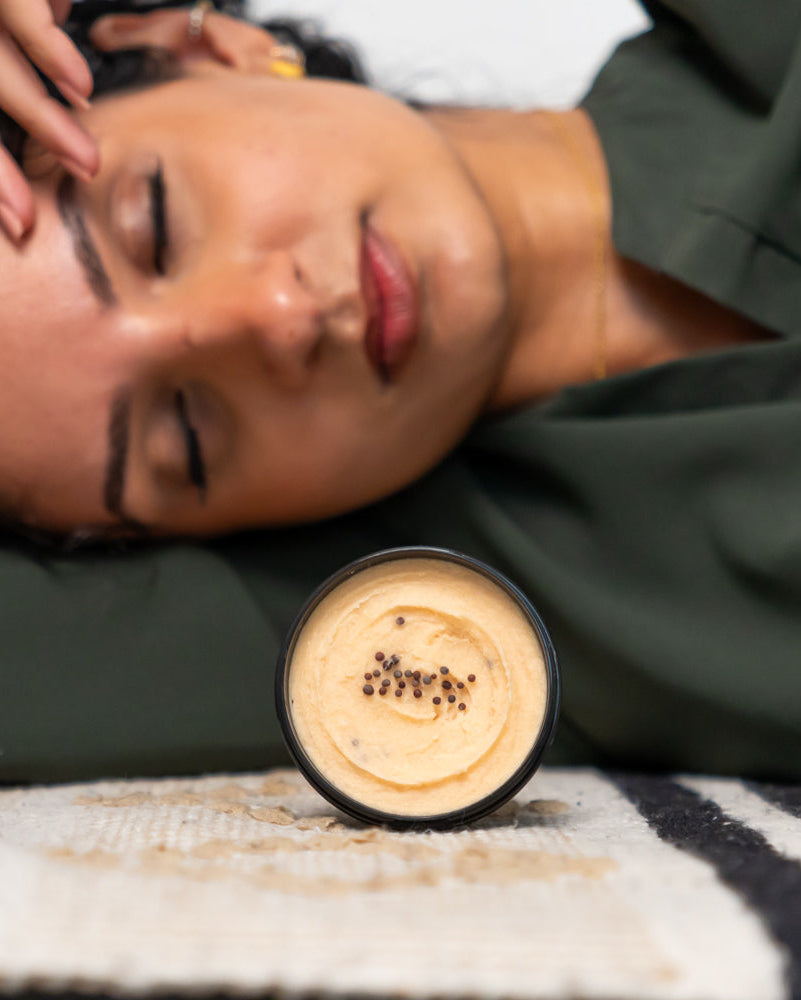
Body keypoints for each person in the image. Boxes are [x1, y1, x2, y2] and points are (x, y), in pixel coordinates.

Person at [0, 0, 799, 785]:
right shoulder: (438, 629)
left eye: (159, 224)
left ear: (202, 47)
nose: (281, 320)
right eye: (186, 434)